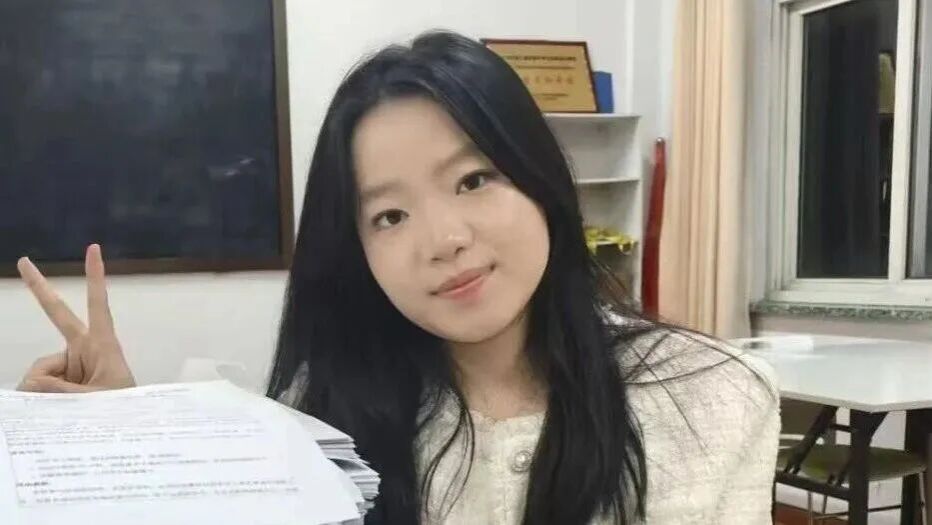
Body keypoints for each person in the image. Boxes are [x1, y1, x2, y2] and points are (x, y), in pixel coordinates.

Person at [15, 31, 779, 525]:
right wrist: (131, 433)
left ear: (539, 177)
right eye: (389, 215)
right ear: (357, 249)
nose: (444, 239)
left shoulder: (712, 396)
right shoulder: (323, 416)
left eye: (473, 179)